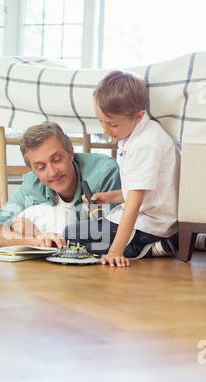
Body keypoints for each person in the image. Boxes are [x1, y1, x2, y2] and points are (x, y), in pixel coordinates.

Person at [65, 70, 181, 267]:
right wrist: (108, 197)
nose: (105, 130)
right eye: (100, 121)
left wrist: (115, 252)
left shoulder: (144, 145)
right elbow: (143, 191)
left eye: (113, 124)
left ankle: (152, 248)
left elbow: (134, 204)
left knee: (72, 236)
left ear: (138, 116)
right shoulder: (140, 134)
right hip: (156, 222)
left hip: (151, 227)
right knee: (82, 232)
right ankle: (174, 241)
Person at [0, 122, 121, 248]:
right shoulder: (32, 185)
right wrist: (35, 240)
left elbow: (113, 235)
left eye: (57, 160)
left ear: (70, 153)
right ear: (33, 171)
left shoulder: (104, 172)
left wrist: (38, 232)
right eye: (41, 167)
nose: (53, 172)